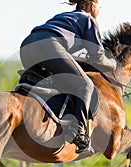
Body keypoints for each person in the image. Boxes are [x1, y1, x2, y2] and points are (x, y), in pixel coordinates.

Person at [20, 0, 116, 153]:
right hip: (48, 45)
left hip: (27, 46)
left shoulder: (66, 16)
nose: (100, 11)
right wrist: (114, 64)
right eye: (99, 7)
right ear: (92, 7)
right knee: (85, 85)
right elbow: (98, 57)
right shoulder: (88, 19)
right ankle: (79, 132)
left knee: (56, 81)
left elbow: (67, 55)